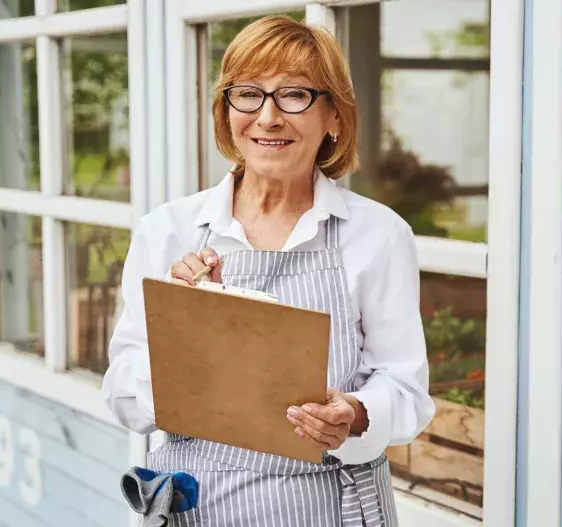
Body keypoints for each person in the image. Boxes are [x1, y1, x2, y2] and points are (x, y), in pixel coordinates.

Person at [102, 16, 434, 526]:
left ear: (335, 117)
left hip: (332, 506)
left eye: (295, 95)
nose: (268, 117)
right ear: (226, 111)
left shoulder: (378, 234)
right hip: (200, 508)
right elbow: (124, 398)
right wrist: (186, 329)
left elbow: (406, 391)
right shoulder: (169, 231)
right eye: (248, 94)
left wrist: (354, 415)